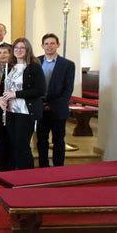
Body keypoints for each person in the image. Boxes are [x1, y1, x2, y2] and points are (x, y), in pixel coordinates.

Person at [0, 38, 46, 170]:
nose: (19, 50)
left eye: (22, 48)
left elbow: (40, 90)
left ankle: (26, 175)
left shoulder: (34, 67)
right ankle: (15, 172)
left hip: (25, 111)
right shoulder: (10, 67)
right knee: (13, 143)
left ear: (27, 50)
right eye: (16, 48)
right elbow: (3, 89)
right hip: (10, 111)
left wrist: (16, 94)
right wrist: (1, 100)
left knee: (22, 144)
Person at [37, 33, 75, 167]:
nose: (49, 46)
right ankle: (43, 166)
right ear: (42, 46)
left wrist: (52, 105)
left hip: (58, 109)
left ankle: (58, 168)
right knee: (41, 140)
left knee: (58, 140)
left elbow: (68, 89)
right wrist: (40, 104)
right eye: (46, 44)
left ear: (58, 45)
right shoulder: (36, 61)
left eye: (52, 43)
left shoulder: (68, 64)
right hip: (39, 108)